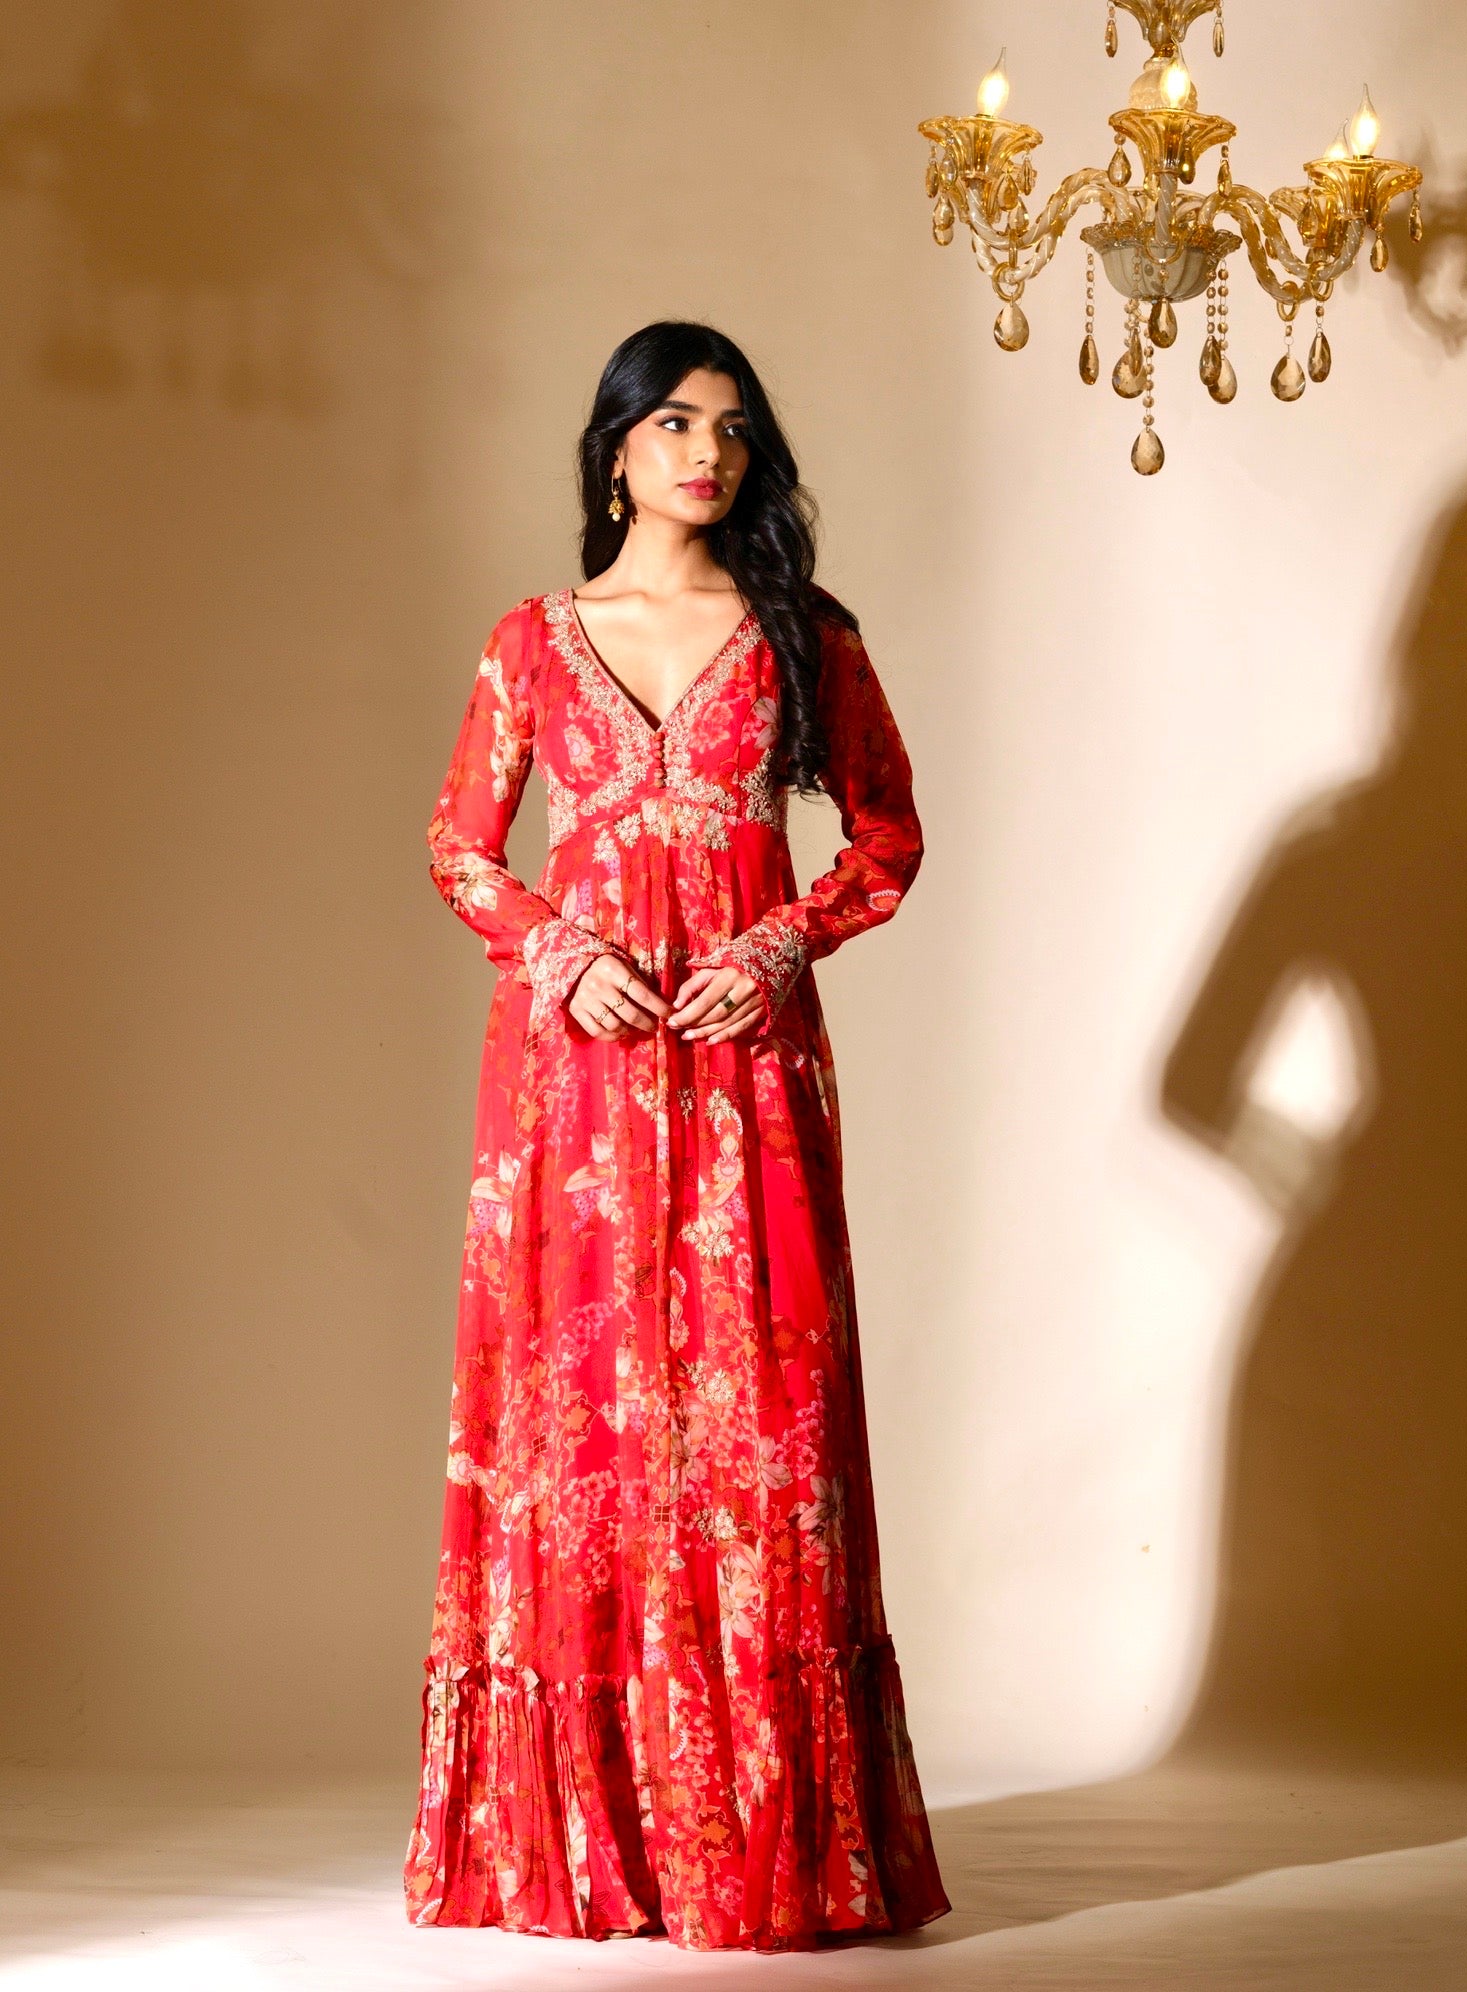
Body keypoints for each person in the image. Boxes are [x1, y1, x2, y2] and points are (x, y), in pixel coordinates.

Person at [402, 321, 950, 1953]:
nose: (706, 453)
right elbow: (458, 845)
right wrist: (554, 950)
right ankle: (585, 1843)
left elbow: (886, 834)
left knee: (757, 1422)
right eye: (672, 424)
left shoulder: (800, 634)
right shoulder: (531, 641)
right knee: (587, 1429)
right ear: (616, 449)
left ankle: (765, 1844)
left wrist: (782, 942)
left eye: (730, 428)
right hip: (572, 1087)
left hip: (745, 1072)